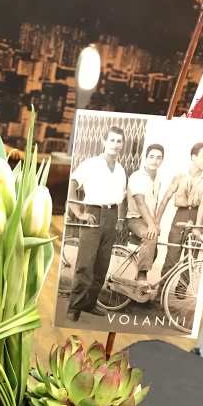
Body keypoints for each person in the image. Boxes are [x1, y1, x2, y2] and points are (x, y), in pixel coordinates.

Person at [67, 126, 127, 320]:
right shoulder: (91, 164)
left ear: (122, 145)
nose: (115, 144)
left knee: (102, 266)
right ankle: (74, 308)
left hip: (111, 216)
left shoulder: (120, 170)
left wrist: (119, 219)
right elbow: (73, 184)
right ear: (104, 141)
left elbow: (122, 197)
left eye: (119, 141)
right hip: (93, 213)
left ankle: (89, 304)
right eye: (112, 140)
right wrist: (78, 212)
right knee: (85, 265)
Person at [157, 141, 203, 278]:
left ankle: (181, 290)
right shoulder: (180, 176)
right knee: (172, 257)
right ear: (194, 157)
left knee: (190, 260)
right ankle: (161, 289)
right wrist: (156, 222)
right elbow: (165, 199)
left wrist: (197, 228)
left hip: (198, 216)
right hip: (180, 216)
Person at [126, 144, 164, 284]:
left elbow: (156, 203)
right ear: (146, 158)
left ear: (162, 160)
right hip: (135, 219)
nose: (155, 160)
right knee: (150, 236)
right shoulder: (137, 177)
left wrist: (156, 223)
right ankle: (142, 277)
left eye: (158, 157)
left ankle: (138, 278)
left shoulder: (158, 179)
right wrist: (151, 225)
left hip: (148, 220)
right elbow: (140, 203)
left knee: (155, 251)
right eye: (151, 157)